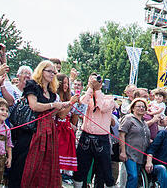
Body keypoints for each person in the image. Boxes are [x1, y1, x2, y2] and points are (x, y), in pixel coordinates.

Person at [21, 60, 78, 188]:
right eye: (49, 71)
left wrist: (65, 105)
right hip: (33, 130)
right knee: (31, 165)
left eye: (54, 72)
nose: (52, 74)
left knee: (47, 164)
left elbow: (52, 114)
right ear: (41, 71)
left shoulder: (52, 92)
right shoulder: (32, 85)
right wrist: (53, 105)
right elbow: (34, 106)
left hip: (48, 130)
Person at [73, 73, 117, 188]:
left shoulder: (109, 98)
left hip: (101, 139)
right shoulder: (86, 97)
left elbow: (102, 107)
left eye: (98, 81)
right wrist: (90, 89)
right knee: (80, 169)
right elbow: (80, 107)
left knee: (105, 171)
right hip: (86, 136)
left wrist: (96, 90)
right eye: (91, 81)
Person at [119, 98, 151, 188]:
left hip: (141, 155)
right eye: (139, 106)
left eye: (143, 107)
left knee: (137, 178)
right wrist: (123, 152)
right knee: (133, 176)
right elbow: (122, 135)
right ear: (133, 108)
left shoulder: (144, 123)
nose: (141, 108)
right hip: (130, 154)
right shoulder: (128, 118)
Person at [54, 74, 78, 176]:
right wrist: (71, 103)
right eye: (63, 83)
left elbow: (73, 118)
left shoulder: (67, 96)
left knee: (61, 170)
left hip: (66, 133)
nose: (66, 85)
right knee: (55, 167)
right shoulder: (56, 97)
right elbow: (61, 115)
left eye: (67, 83)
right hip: (57, 132)